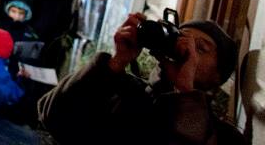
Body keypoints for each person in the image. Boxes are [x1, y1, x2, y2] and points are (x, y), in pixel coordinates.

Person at [38, 13, 243, 145]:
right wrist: (117, 62)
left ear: (218, 78)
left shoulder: (224, 137)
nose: (185, 50)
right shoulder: (125, 91)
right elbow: (54, 117)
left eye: (200, 48)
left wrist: (185, 94)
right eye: (180, 39)